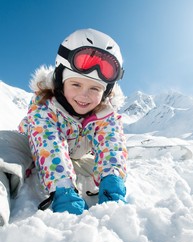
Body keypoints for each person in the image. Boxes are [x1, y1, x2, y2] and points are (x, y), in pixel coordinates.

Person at [0, 28, 128, 226]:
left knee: (105, 166)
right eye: (76, 84)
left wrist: (112, 181)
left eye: (95, 88)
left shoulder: (105, 114)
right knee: (4, 148)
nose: (84, 95)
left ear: (106, 92)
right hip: (32, 145)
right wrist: (63, 188)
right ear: (60, 80)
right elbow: (50, 144)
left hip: (75, 157)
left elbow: (112, 144)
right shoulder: (45, 106)